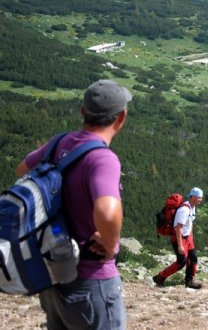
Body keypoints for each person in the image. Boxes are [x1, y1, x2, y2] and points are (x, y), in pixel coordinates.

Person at [16, 79, 131, 330]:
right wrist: (110, 245)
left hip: (52, 276)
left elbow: (22, 170)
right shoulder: (103, 159)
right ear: (121, 117)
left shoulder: (59, 143)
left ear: (82, 111)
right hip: (91, 280)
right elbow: (107, 213)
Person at [153, 187, 204, 289]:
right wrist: (180, 245)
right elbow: (178, 228)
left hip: (187, 237)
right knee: (182, 262)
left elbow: (190, 224)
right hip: (179, 238)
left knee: (193, 258)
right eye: (199, 198)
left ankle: (189, 281)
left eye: (201, 198)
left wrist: (191, 239)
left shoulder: (192, 207)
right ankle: (160, 277)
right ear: (193, 197)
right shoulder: (184, 210)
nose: (201, 200)